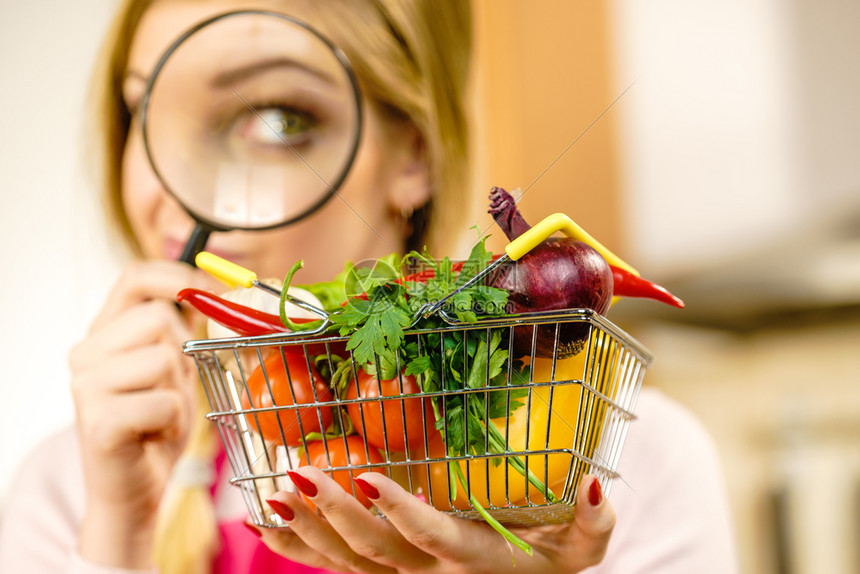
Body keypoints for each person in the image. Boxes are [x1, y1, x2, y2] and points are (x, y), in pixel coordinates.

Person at [0, 0, 738, 573]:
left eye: (278, 118)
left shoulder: (611, 457)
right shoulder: (73, 490)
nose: (174, 185)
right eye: (147, 112)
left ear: (413, 153)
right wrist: (116, 542)